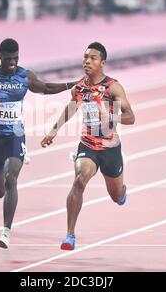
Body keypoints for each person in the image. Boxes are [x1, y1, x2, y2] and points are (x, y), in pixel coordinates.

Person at [0, 38, 77, 248]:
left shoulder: (24, 75)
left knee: (11, 179)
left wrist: (71, 84)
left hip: (16, 135)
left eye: (15, 59)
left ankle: (6, 231)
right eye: (8, 59)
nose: (12, 63)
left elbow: (45, 88)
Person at [41, 42, 135, 250]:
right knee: (79, 179)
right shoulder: (80, 88)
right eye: (85, 58)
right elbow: (71, 108)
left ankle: (122, 192)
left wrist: (111, 115)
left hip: (110, 148)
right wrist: (53, 131)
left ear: (102, 63)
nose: (87, 61)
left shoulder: (113, 87)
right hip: (88, 145)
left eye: (93, 58)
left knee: (116, 196)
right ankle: (69, 235)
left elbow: (131, 117)